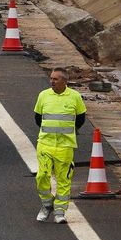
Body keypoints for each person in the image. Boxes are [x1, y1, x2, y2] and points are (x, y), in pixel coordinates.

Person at [32, 67, 86, 225]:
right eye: (51, 78)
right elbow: (38, 118)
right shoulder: (43, 95)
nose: (52, 81)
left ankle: (60, 211)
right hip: (46, 143)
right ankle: (47, 204)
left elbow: (81, 119)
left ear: (65, 81)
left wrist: (68, 132)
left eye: (55, 79)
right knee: (42, 176)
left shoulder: (75, 97)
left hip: (65, 146)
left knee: (64, 179)